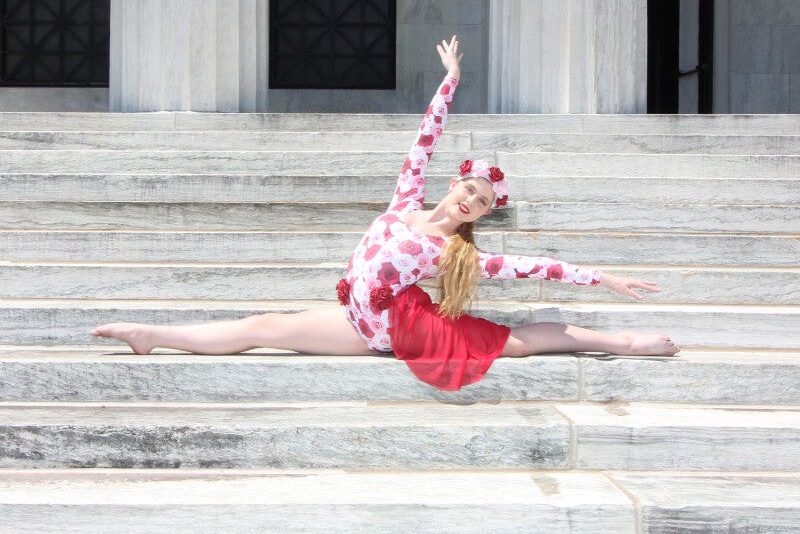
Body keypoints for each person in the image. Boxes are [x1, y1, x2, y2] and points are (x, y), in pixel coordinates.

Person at [92, 36, 679, 391]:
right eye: (469, 190)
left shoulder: (450, 251)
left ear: (480, 214)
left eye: (481, 203)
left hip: (396, 326)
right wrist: (450, 82)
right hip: (356, 318)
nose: (471, 201)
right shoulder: (405, 201)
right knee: (263, 325)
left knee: (515, 343)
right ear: (454, 185)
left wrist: (603, 277)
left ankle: (626, 341)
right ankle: (151, 334)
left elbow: (536, 267)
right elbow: (424, 140)